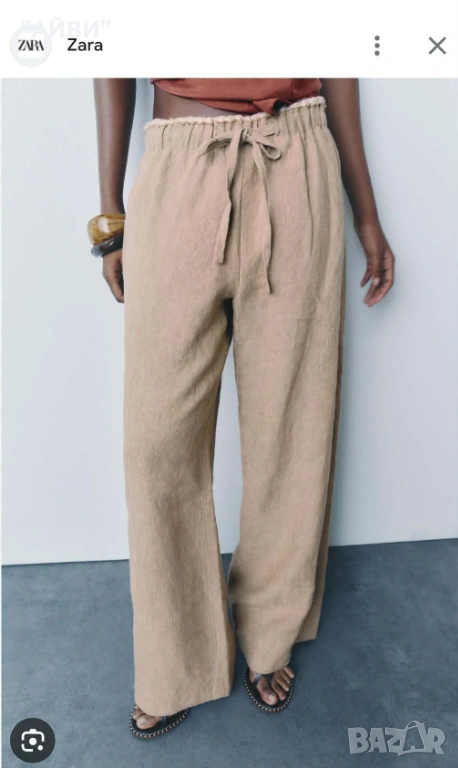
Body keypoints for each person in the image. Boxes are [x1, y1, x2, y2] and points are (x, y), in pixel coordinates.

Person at [91, 78, 395, 739]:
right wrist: (110, 216)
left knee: (293, 424)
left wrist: (366, 214)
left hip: (297, 157)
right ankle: (173, 660)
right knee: (157, 442)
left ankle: (270, 632)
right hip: (178, 164)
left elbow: (339, 65)